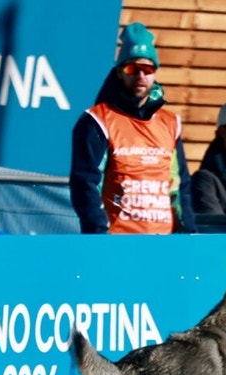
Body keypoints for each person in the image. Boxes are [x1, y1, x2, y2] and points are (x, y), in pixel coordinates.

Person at [69, 22, 196, 235]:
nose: (140, 76)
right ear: (120, 72)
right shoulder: (98, 120)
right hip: (116, 243)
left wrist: (189, 234)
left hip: (162, 245)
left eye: (147, 69)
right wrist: (97, 233)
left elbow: (179, 186)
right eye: (132, 68)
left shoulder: (170, 123)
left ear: (155, 73)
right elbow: (86, 184)